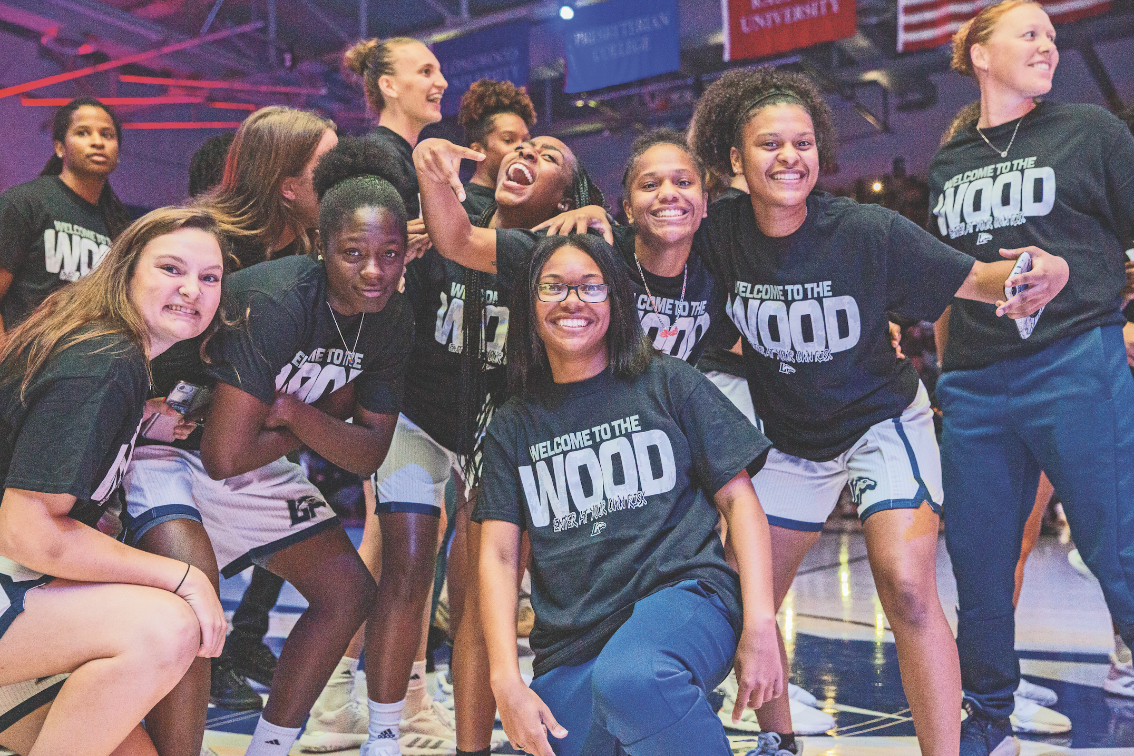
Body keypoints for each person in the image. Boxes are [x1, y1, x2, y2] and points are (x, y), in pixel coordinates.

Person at [684, 65, 1068, 756]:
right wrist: (588, 216)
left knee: (907, 584)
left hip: (879, 422)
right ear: (735, 160)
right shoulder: (719, 232)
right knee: (749, 596)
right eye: (770, 144)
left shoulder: (866, 230)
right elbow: (644, 244)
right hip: (790, 436)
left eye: (803, 143)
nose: (790, 157)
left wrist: (1049, 270)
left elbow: (978, 280)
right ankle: (779, 741)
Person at [123, 139, 414, 756]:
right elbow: (222, 455)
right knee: (193, 608)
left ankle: (271, 747)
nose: (373, 271)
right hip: (168, 447)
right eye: (353, 253)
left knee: (348, 593)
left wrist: (293, 413)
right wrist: (316, 421)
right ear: (322, 247)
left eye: (389, 254)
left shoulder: (393, 319)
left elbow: (368, 454)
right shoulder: (279, 301)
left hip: (253, 448)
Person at [476, 233, 782, 756]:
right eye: (553, 287)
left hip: (685, 598)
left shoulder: (668, 382)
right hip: (573, 645)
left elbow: (741, 503)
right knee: (596, 717)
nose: (572, 301)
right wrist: (505, 679)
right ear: (529, 305)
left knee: (634, 680)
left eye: (591, 287)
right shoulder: (512, 424)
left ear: (616, 300)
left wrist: (760, 623)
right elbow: (500, 556)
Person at [928, 2, 1134, 754]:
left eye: (1052, 35)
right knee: (980, 568)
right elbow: (946, 279)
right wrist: (948, 372)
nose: (1048, 44)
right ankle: (988, 720)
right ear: (980, 54)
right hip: (975, 386)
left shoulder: (1092, 132)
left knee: (1119, 552)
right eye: (1029, 33)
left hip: (1076, 361)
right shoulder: (949, 160)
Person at [0, 206, 228, 756]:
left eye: (209, 277)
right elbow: (26, 532)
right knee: (168, 626)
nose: (192, 290)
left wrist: (141, 416)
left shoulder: (107, 349)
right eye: (171, 269)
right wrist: (183, 577)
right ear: (126, 269)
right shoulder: (105, 361)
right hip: (12, 572)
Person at [0, 97, 131, 333]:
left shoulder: (121, 226)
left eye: (107, 135)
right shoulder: (25, 202)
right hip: (24, 352)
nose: (97, 142)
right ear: (60, 147)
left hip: (88, 353)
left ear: (118, 152)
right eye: (83, 133)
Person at [456, 79, 537, 218]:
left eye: (526, 141)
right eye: (508, 140)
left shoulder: (525, 202)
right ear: (477, 150)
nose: (523, 149)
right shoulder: (460, 203)